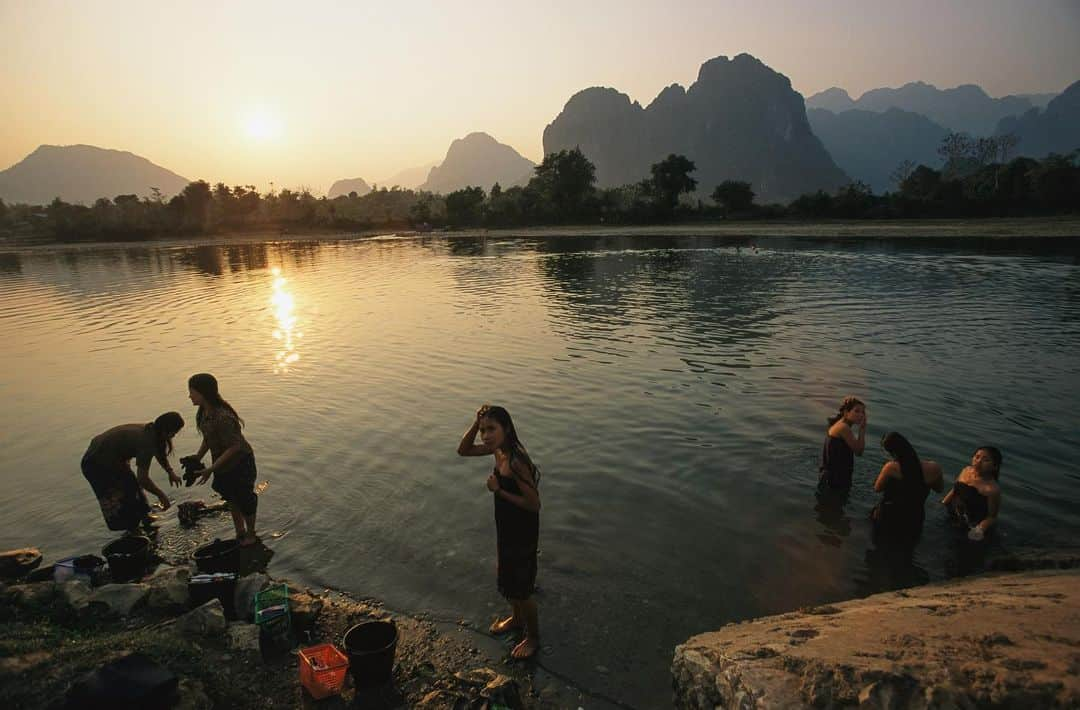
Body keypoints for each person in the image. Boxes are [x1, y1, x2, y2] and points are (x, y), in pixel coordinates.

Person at [457, 405, 541, 660]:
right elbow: (463, 450)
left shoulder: (516, 461)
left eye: (491, 429)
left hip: (522, 531)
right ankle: (516, 619)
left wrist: (499, 491)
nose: (485, 436)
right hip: (506, 525)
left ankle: (533, 637)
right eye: (483, 430)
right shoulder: (498, 451)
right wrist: (475, 422)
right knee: (507, 576)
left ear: (506, 428)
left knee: (522, 588)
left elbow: (535, 504)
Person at [186, 373, 259, 546]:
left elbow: (235, 446)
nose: (189, 396)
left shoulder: (222, 416)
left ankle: (251, 534)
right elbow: (209, 438)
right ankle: (239, 531)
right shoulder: (203, 413)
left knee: (245, 498)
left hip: (240, 462)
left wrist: (211, 469)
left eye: (192, 392)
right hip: (222, 463)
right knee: (231, 497)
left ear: (202, 393)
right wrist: (198, 457)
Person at [81, 413, 184, 532]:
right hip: (96, 464)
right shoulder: (146, 440)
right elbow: (143, 479)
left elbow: (159, 452)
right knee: (119, 499)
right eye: (174, 432)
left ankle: (145, 520)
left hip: (115, 459)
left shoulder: (152, 431)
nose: (174, 435)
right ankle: (132, 531)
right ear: (166, 430)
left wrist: (170, 472)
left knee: (132, 488)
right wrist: (161, 495)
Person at [871, 432, 944, 546]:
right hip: (915, 518)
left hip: (890, 516)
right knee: (907, 551)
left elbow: (877, 488)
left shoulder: (891, 467)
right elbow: (939, 489)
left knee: (881, 548)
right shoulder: (934, 467)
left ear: (893, 453)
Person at [942, 446, 1002, 541]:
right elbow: (954, 490)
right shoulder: (966, 471)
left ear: (995, 466)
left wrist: (979, 529)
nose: (978, 461)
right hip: (953, 515)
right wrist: (943, 503)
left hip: (972, 525)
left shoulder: (992, 489)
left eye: (985, 460)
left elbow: (992, 517)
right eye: (977, 457)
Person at [818, 396, 867, 491]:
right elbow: (859, 452)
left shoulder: (839, 424)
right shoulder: (844, 428)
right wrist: (862, 429)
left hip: (830, 476)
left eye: (863, 412)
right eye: (856, 411)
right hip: (835, 479)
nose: (861, 415)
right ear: (846, 412)